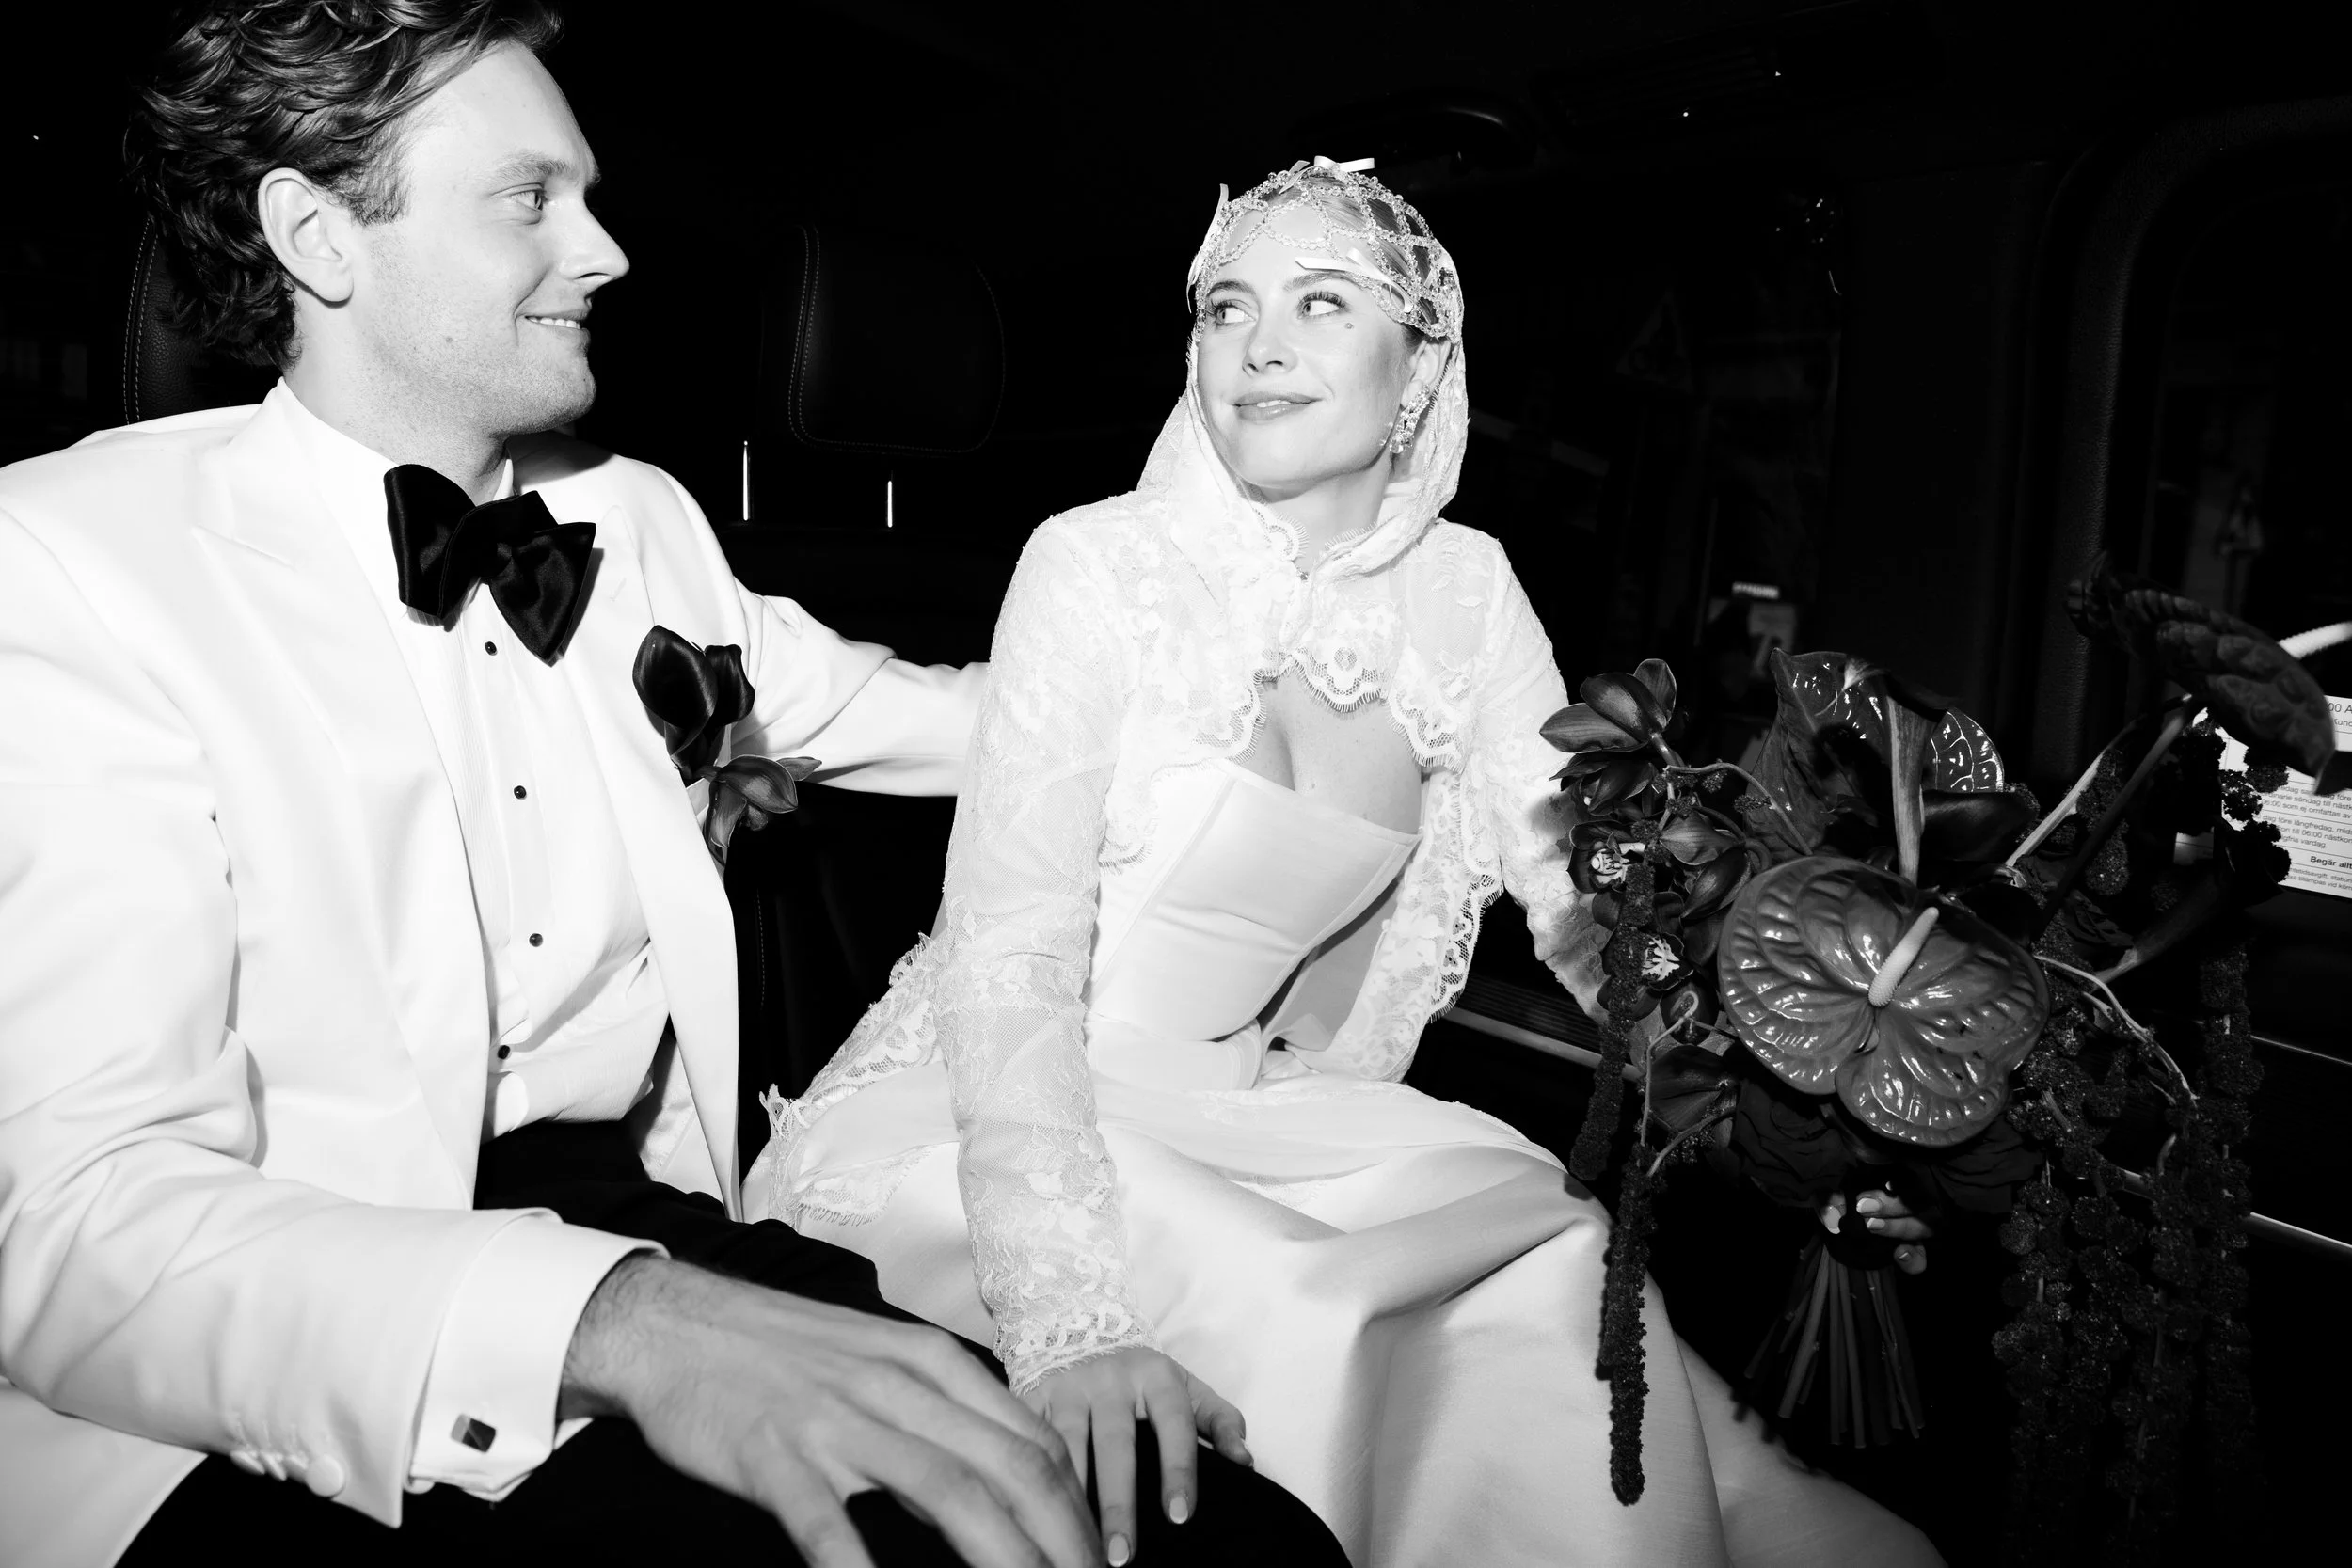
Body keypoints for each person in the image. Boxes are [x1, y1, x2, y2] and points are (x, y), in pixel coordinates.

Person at [0, 7, 1346, 1568]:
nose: (606, 251)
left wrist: (1298, 682)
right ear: (317, 236)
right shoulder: (71, 558)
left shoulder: (637, 521)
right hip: (292, 1338)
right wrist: (621, 1321)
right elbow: (82, 1223)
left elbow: (977, 724)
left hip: (660, 1220)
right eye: (528, 199)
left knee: (1212, 1538)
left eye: (588, 193)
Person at [750, 160, 1948, 1567]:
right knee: (1314, 1303)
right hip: (1006, 1119)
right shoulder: (1093, 567)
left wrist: (1789, 1113)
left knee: (1547, 1240)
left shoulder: (1471, 593)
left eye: (1322, 303)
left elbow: (1585, 912)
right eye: (1226, 307)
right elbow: (1009, 961)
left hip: (1255, 1108)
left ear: (1420, 363)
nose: (1258, 346)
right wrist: (1067, 1319)